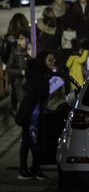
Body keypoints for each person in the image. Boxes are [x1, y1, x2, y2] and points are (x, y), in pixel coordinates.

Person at [15, 50, 55, 180]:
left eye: (53, 59)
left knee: (30, 141)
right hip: (31, 114)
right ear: (42, 61)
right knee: (31, 141)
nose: (53, 62)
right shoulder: (37, 77)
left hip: (34, 112)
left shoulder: (42, 75)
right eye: (50, 60)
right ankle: (27, 170)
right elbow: (27, 91)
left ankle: (30, 169)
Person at [5, 31, 31, 113]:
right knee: (24, 104)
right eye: (21, 39)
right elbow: (8, 69)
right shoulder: (14, 52)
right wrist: (21, 72)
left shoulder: (30, 51)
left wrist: (31, 54)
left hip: (30, 82)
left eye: (26, 39)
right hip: (20, 83)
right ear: (18, 40)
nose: (24, 41)